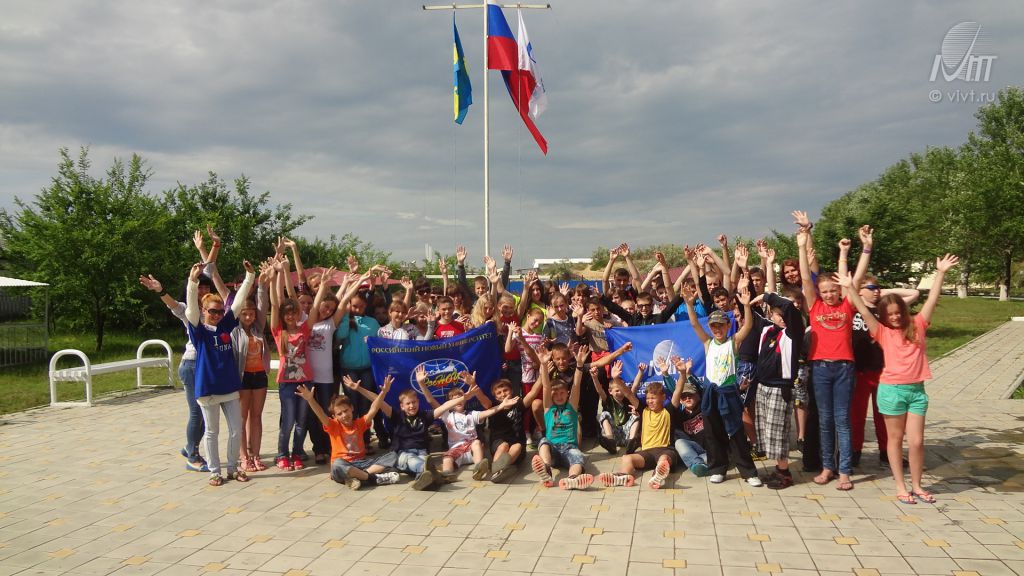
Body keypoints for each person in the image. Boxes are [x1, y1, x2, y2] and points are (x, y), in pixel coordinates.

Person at [838, 254, 958, 504]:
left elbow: (931, 299)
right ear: (884, 315)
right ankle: (901, 486)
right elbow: (863, 310)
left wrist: (940, 274)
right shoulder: (881, 331)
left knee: (917, 442)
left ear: (904, 311)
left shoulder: (918, 324)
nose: (894, 317)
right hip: (891, 390)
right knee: (894, 440)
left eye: (897, 312)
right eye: (889, 314)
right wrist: (850, 288)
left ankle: (918, 485)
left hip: (917, 391)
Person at [798, 226, 871, 491]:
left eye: (833, 290)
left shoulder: (847, 305)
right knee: (825, 420)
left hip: (843, 369)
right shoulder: (814, 305)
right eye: (825, 291)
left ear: (839, 291)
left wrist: (859, 249)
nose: (829, 294)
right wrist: (801, 245)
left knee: (842, 420)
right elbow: (805, 278)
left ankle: (845, 471)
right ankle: (827, 467)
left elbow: (856, 278)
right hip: (819, 368)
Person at [185, 260, 255, 486]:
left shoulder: (225, 326)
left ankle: (233, 468)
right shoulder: (198, 330)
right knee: (212, 432)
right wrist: (193, 282)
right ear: (204, 311)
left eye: (219, 311)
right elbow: (190, 310)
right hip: (208, 389)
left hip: (229, 386)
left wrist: (249, 277)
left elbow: (238, 302)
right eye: (212, 311)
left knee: (236, 429)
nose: (216, 315)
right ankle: (215, 472)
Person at [683, 285, 761, 486]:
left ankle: (749, 472)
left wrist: (746, 306)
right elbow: (694, 324)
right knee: (712, 433)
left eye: (721, 325)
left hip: (729, 393)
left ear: (728, 326)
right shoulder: (708, 343)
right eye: (714, 326)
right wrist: (690, 305)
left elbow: (748, 326)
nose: (717, 329)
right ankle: (718, 469)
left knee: (736, 432)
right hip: (711, 393)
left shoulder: (734, 342)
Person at [270, 259, 333, 470]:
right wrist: (275, 277)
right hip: (286, 383)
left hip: (306, 382)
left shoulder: (305, 328)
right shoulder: (278, 331)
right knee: (288, 421)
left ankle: (297, 453)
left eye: (293, 312)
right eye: (287, 313)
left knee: (302, 421)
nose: (290, 316)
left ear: (298, 314)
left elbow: (314, 308)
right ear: (283, 315)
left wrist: (323, 285)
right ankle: (282, 454)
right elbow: (275, 303)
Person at [851, 274, 919, 468]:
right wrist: (860, 291)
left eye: (878, 288)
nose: (876, 291)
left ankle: (886, 452)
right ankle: (854, 452)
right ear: (860, 291)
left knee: (884, 415)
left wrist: (882, 292)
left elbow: (914, 293)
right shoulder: (853, 308)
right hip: (859, 370)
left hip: (883, 370)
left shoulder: (885, 310)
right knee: (857, 415)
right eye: (871, 288)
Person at [296, 378, 400, 490]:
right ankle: (372, 478)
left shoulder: (360, 423)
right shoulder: (333, 426)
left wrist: (383, 392)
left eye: (346, 411)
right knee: (337, 464)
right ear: (334, 417)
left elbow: (374, 408)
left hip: (362, 464)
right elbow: (320, 413)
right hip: (343, 466)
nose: (344, 415)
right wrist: (310, 399)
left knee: (393, 456)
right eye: (339, 414)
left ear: (352, 408)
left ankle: (360, 477)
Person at [414, 370, 514, 482]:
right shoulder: (446, 415)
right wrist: (421, 384)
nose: (458, 400)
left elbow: (488, 412)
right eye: (454, 399)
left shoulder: (472, 414)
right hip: (456, 449)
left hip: (472, 450)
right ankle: (446, 475)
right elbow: (431, 400)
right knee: (447, 458)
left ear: (465, 399)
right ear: (450, 403)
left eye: (460, 397)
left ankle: (479, 469)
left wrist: (502, 405)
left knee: (477, 443)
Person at [750, 292, 805, 489]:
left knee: (778, 432)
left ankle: (784, 473)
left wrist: (766, 296)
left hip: (780, 388)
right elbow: (751, 313)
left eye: (783, 315)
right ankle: (778, 468)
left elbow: (789, 307)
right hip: (763, 386)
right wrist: (747, 299)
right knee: (767, 431)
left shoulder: (793, 331)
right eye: (777, 314)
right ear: (771, 315)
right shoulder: (768, 330)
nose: (781, 318)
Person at [598, 375, 685, 489]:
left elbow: (678, 390)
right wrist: (616, 378)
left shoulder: (669, 411)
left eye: (653, 398)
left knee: (664, 459)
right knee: (627, 458)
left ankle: (657, 476)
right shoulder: (643, 410)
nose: (650, 401)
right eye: (648, 398)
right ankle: (623, 476)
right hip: (647, 452)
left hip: (665, 450)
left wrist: (682, 373)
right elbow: (628, 394)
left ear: (663, 397)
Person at [531, 345, 595, 490]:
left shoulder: (571, 406)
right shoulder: (548, 407)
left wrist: (579, 365)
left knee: (578, 459)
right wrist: (543, 364)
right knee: (543, 441)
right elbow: (546, 386)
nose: (559, 396)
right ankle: (546, 469)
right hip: (552, 449)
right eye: (555, 394)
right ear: (550, 396)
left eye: (562, 393)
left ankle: (572, 478)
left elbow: (576, 385)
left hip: (569, 448)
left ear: (567, 394)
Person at [229, 262, 272, 473]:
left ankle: (255, 455)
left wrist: (262, 285)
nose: (248, 317)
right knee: (242, 417)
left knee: (256, 417)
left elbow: (263, 304)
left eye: (251, 313)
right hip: (242, 377)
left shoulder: (258, 327)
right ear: (239, 313)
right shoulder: (233, 330)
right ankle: (243, 457)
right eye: (245, 313)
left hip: (259, 376)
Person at [484, 377, 544, 483]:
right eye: (499, 393)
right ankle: (497, 470)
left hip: (517, 447)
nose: (503, 394)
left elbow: (533, 393)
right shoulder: (493, 407)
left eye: (505, 390)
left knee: (517, 446)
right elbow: (482, 399)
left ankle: (498, 469)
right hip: (498, 444)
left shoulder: (518, 404)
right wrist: (473, 385)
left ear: (511, 391)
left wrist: (541, 376)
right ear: (495, 397)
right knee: (504, 446)